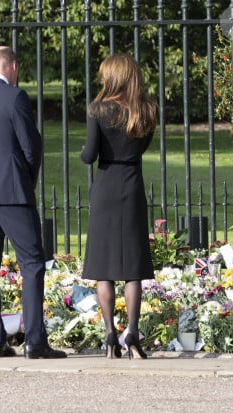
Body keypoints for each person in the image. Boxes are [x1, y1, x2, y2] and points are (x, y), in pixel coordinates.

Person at [0, 46, 66, 359]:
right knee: (32, 263)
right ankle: (34, 341)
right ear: (13, 66)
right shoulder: (15, 97)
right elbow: (31, 147)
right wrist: (25, 180)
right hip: (12, 190)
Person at [80, 54, 157, 360]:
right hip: (132, 186)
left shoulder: (98, 110)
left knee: (104, 268)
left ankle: (110, 333)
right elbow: (142, 147)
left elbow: (89, 155)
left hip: (106, 188)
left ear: (112, 76)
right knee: (133, 268)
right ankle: (133, 336)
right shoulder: (147, 110)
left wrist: (84, 153)